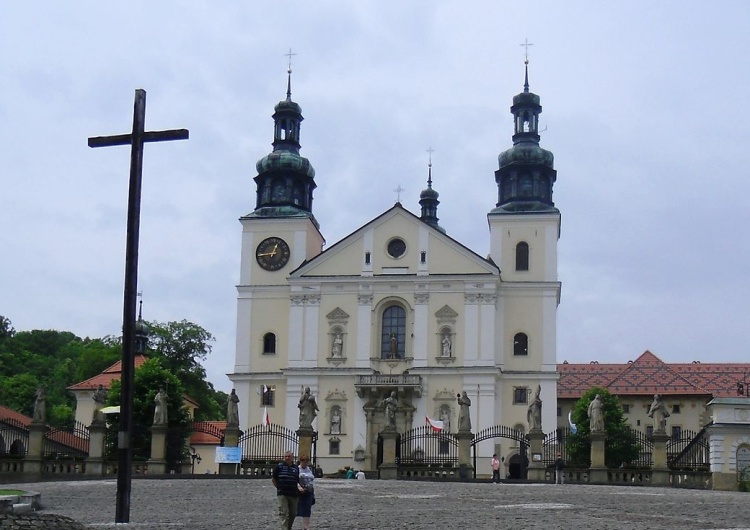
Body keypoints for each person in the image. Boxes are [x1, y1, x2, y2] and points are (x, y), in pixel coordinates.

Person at [272, 450, 302, 530]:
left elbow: (297, 480)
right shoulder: (279, 466)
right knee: (283, 513)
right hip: (282, 493)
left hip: (293, 493)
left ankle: (288, 528)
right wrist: (279, 488)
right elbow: (274, 479)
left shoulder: (296, 468)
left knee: (293, 513)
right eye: (285, 456)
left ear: (292, 458)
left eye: (288, 456)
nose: (287, 458)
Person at [296, 454, 315, 530]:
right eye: (304, 462)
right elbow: (296, 479)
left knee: (307, 508)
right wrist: (299, 487)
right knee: (296, 508)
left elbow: (312, 477)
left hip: (308, 490)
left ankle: (305, 526)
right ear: (301, 461)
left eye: (307, 462)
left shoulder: (308, 469)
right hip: (299, 491)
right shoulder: (297, 469)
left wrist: (303, 475)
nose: (306, 463)